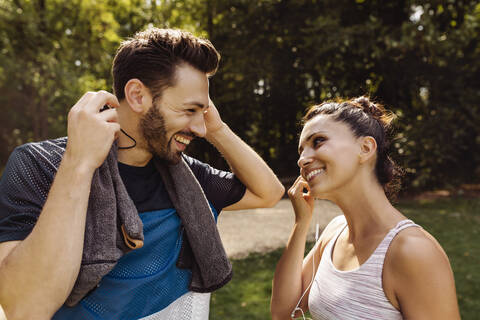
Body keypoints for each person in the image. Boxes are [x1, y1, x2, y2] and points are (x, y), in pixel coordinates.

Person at [0, 28, 284, 319]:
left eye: (204, 112)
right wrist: (78, 164)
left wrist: (218, 129)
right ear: (137, 95)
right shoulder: (40, 166)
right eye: (189, 110)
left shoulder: (186, 177)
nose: (200, 128)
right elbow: (24, 308)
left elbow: (269, 192)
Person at [270, 97, 460, 319]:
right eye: (301, 150)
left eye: (318, 141)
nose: (302, 160)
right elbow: (283, 312)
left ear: (365, 148)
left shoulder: (414, 252)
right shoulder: (334, 232)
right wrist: (301, 224)